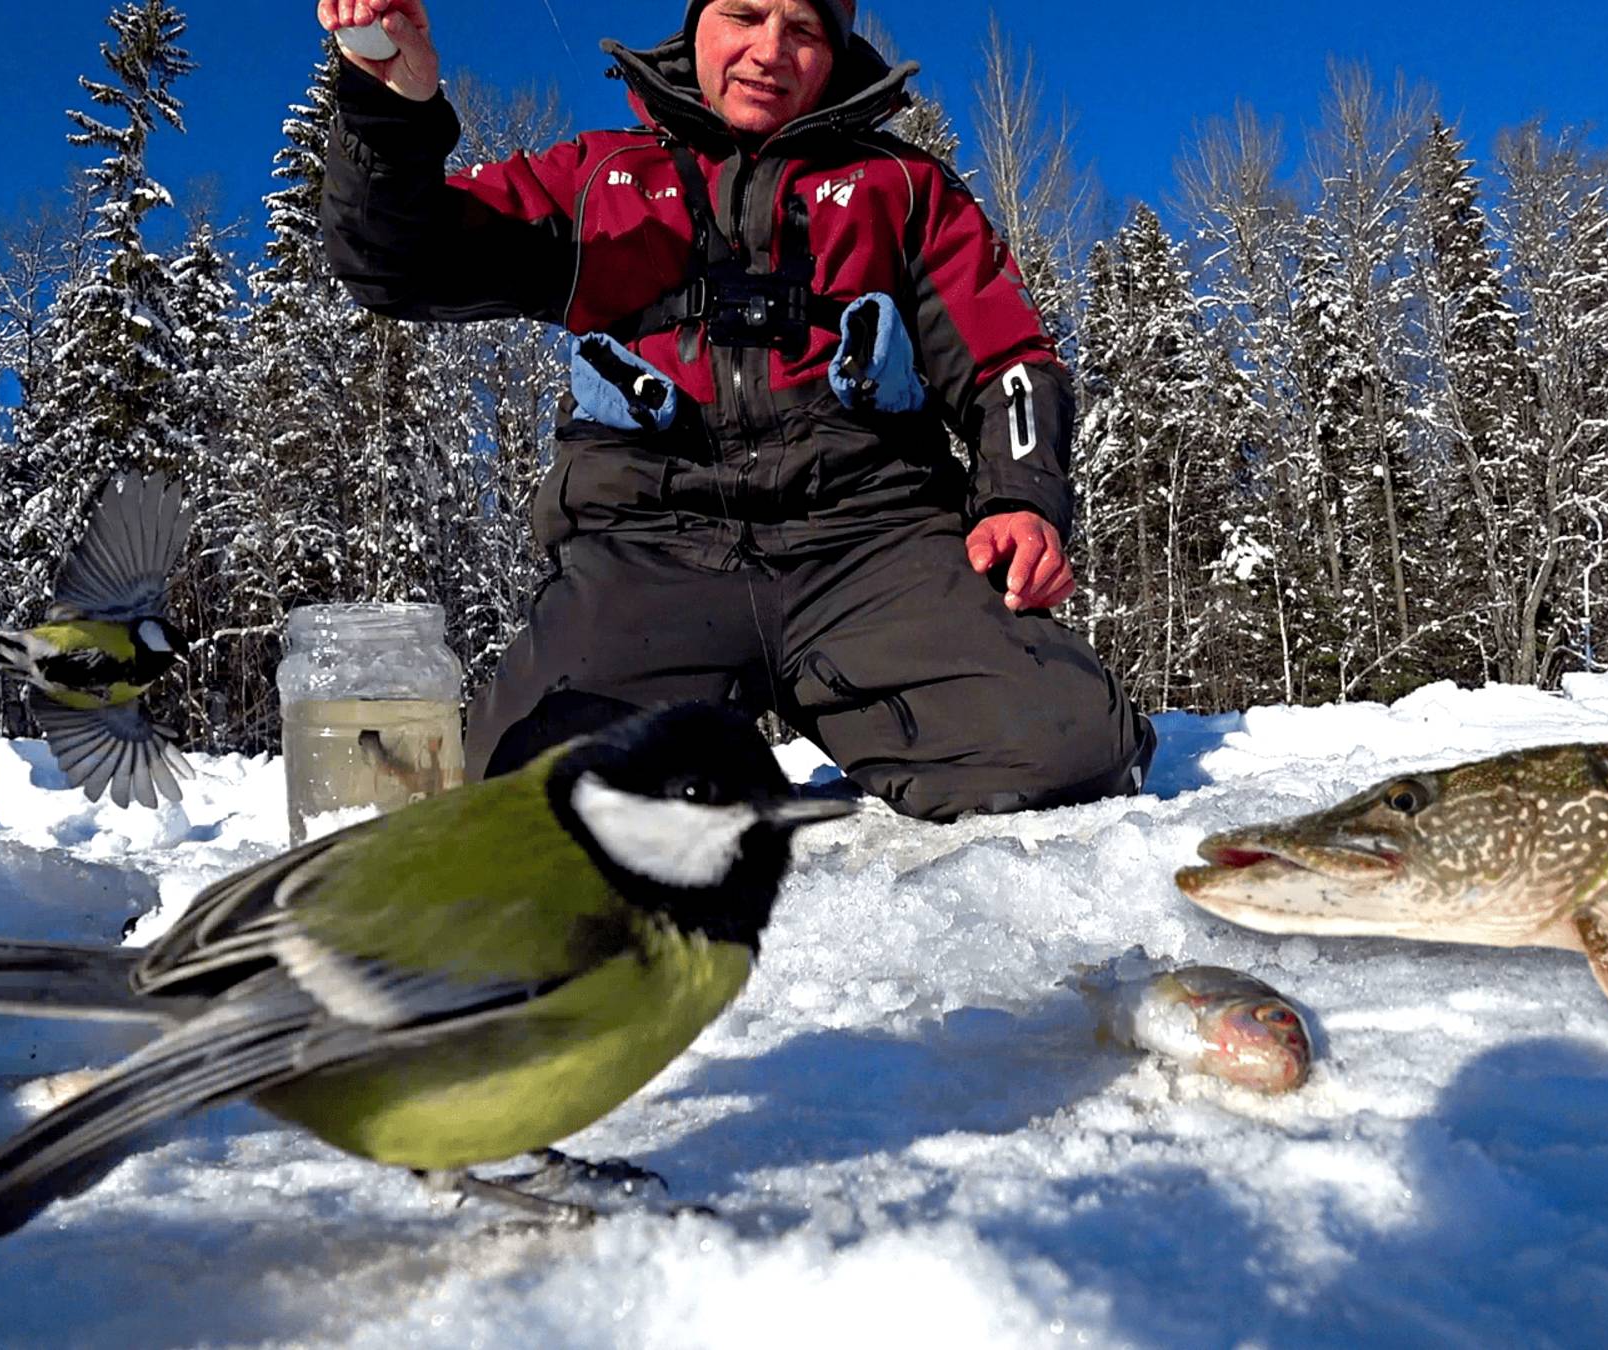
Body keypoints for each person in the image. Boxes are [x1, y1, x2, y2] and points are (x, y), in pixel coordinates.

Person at [315, 0, 1156, 821]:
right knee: (533, 805)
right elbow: (398, 263)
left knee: (1071, 748)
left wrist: (1020, 498)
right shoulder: (598, 179)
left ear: (835, 51)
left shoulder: (904, 189)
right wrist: (392, 109)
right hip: (650, 553)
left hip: (871, 550)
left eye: (802, 30)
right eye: (744, 17)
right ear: (696, 28)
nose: (769, 51)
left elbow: (1008, 362)